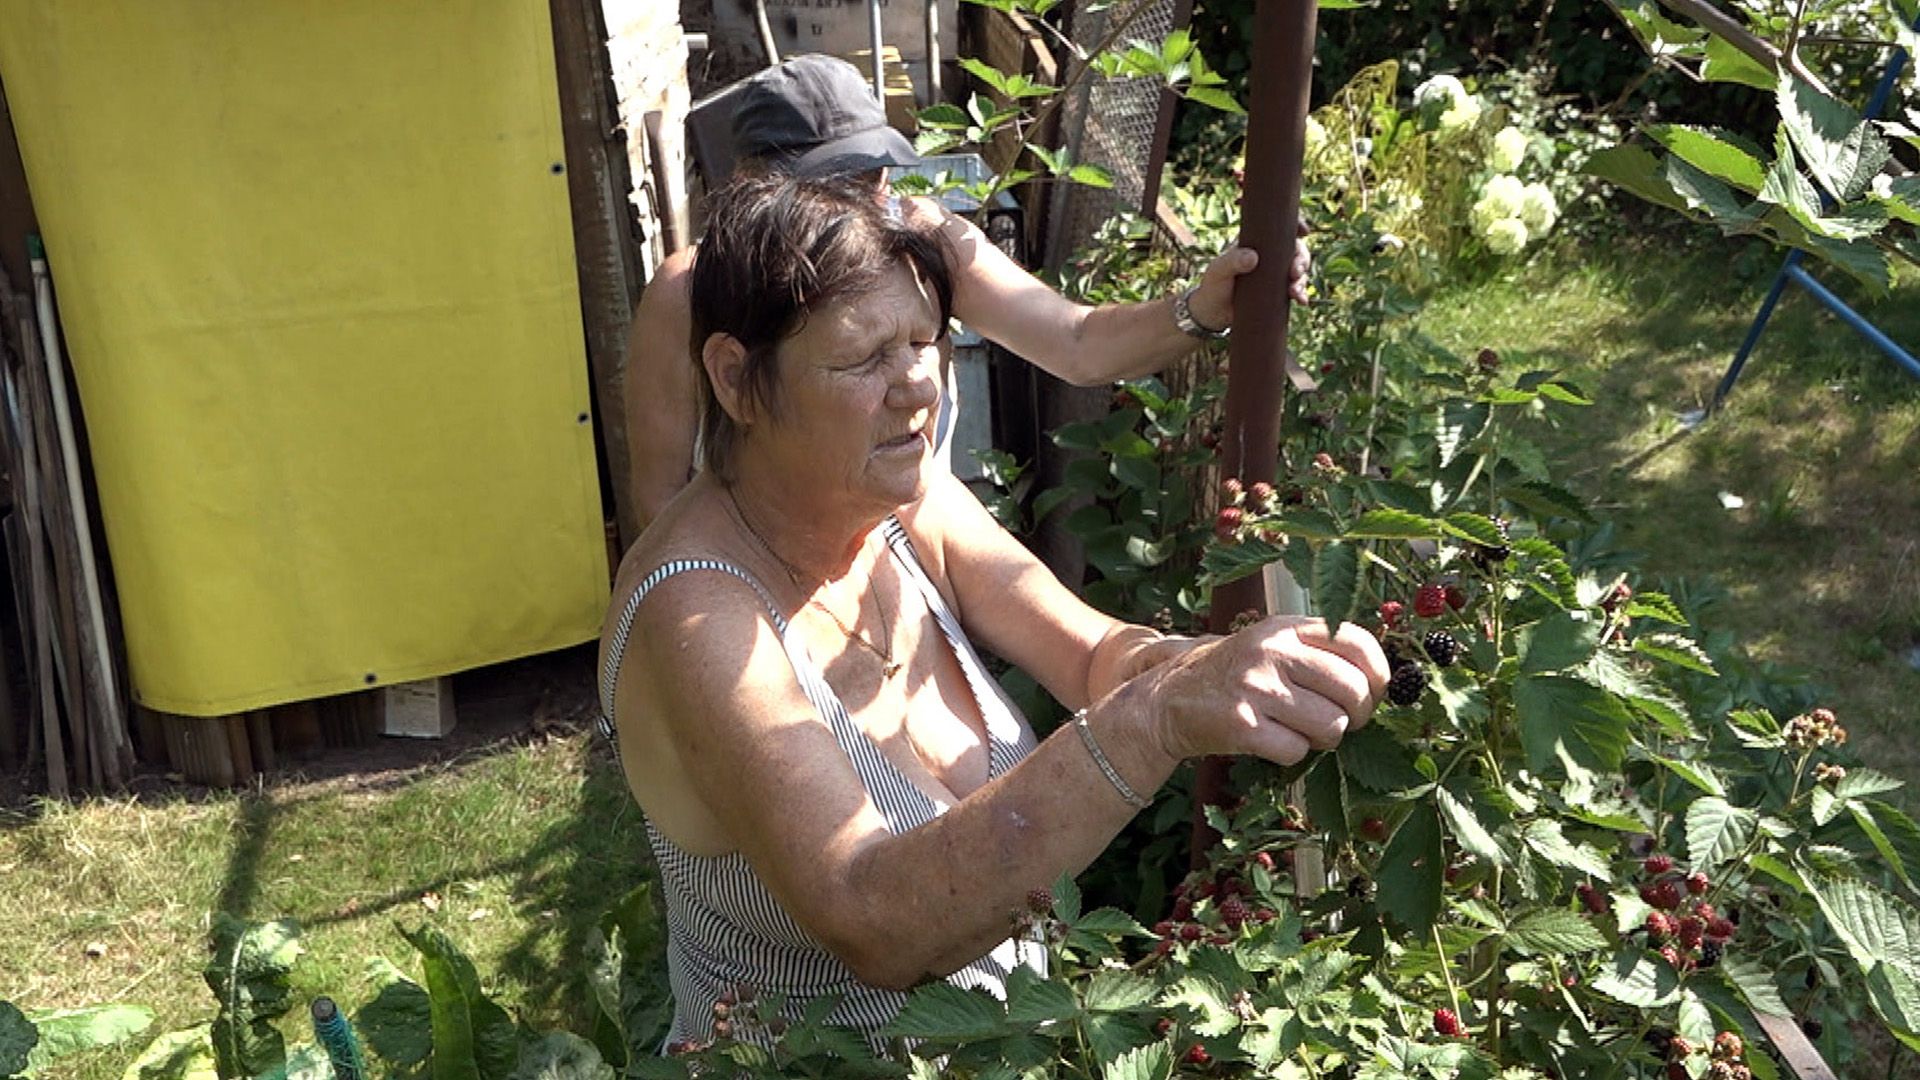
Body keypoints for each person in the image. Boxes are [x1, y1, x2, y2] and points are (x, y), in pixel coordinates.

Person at [598, 173, 1388, 1047]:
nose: (918, 389)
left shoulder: (904, 502)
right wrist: (1152, 719)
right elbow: (873, 915)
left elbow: (1097, 656)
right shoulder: (696, 614)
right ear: (737, 381)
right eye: (864, 358)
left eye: (924, 342)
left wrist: (1232, 668)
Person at [624, 53, 1311, 531]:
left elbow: (1076, 343)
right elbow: (660, 497)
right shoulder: (689, 294)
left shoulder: (925, 241)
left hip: (922, 574)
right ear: (759, 195)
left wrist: (1202, 307)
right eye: (834, 186)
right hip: (767, 591)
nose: (867, 202)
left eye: (875, 172)